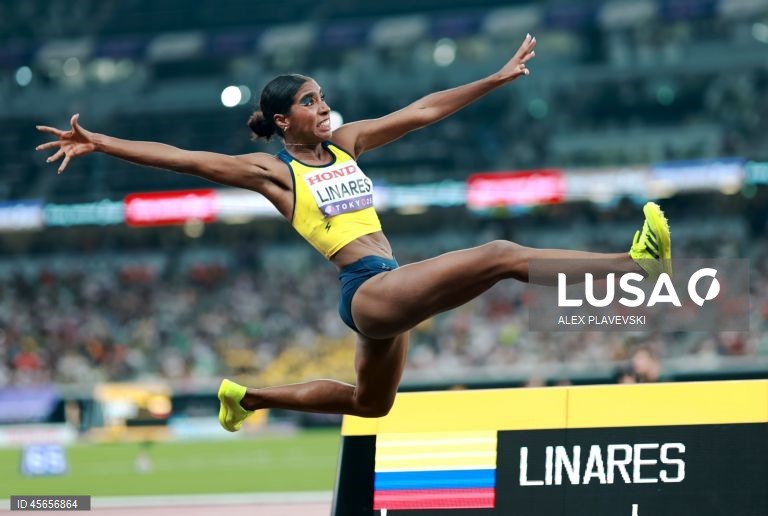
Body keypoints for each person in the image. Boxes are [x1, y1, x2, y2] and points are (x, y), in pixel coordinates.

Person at [36, 34, 671, 431]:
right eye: (311, 102)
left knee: (372, 407)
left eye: (323, 98)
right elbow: (183, 158)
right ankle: (631, 264)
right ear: (285, 120)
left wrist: (495, 79)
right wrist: (100, 142)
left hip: (385, 288)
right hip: (366, 290)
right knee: (501, 254)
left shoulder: (347, 146)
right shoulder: (274, 174)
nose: (324, 107)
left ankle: (247, 397)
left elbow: (422, 110)